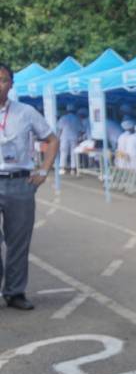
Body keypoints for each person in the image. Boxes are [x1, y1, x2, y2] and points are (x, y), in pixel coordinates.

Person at [0, 62, 58, 310]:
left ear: (11, 84)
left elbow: (52, 139)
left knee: (18, 241)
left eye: (3, 80)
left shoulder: (26, 112)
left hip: (19, 183)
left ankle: (15, 292)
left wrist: (43, 171)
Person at [56, 104, 81, 175]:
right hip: (74, 137)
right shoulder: (77, 118)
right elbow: (80, 129)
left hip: (64, 137)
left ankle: (62, 168)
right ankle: (73, 169)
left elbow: (59, 129)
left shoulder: (63, 118)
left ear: (67, 110)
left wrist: (58, 137)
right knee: (73, 153)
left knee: (63, 152)